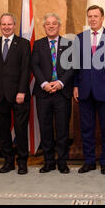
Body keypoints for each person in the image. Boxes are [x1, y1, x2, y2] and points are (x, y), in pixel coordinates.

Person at [73, 5, 105, 175]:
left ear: (102, 18)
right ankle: (89, 161)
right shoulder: (80, 38)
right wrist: (75, 86)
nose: (93, 19)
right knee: (86, 128)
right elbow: (76, 65)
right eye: (90, 16)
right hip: (85, 90)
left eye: (96, 16)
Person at [0, 13, 31, 175]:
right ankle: (8, 161)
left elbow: (26, 70)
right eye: (3, 24)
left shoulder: (24, 44)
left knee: (20, 129)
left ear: (14, 25)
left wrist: (21, 91)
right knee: (3, 130)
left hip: (19, 94)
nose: (6, 27)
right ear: (0, 26)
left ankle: (22, 162)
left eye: (9, 24)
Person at [31, 13, 74, 174]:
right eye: (47, 24)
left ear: (59, 26)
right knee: (45, 128)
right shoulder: (38, 44)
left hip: (62, 93)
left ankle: (62, 162)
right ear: (44, 27)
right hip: (44, 93)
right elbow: (34, 65)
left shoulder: (69, 44)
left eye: (54, 24)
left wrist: (60, 83)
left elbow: (72, 67)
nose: (50, 26)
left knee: (63, 130)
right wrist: (44, 84)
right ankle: (49, 162)